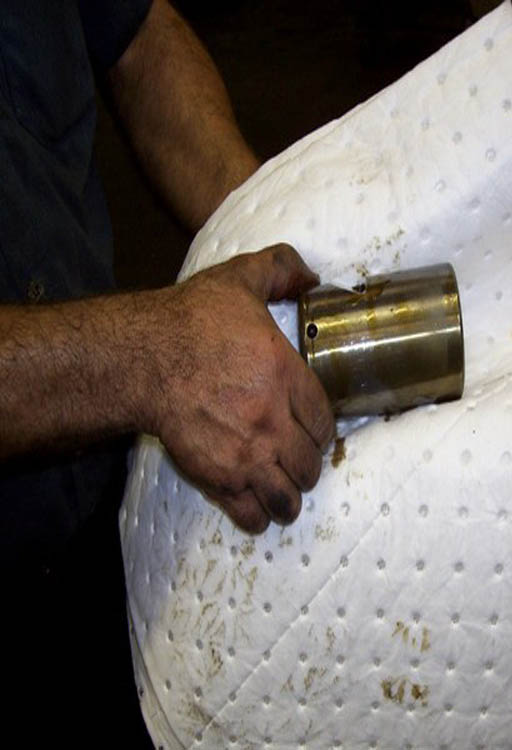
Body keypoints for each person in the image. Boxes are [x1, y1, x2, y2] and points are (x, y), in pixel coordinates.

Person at [0, 0, 333, 745]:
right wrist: (152, 359)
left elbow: (133, 34)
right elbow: (153, 361)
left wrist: (262, 227)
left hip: (100, 505)